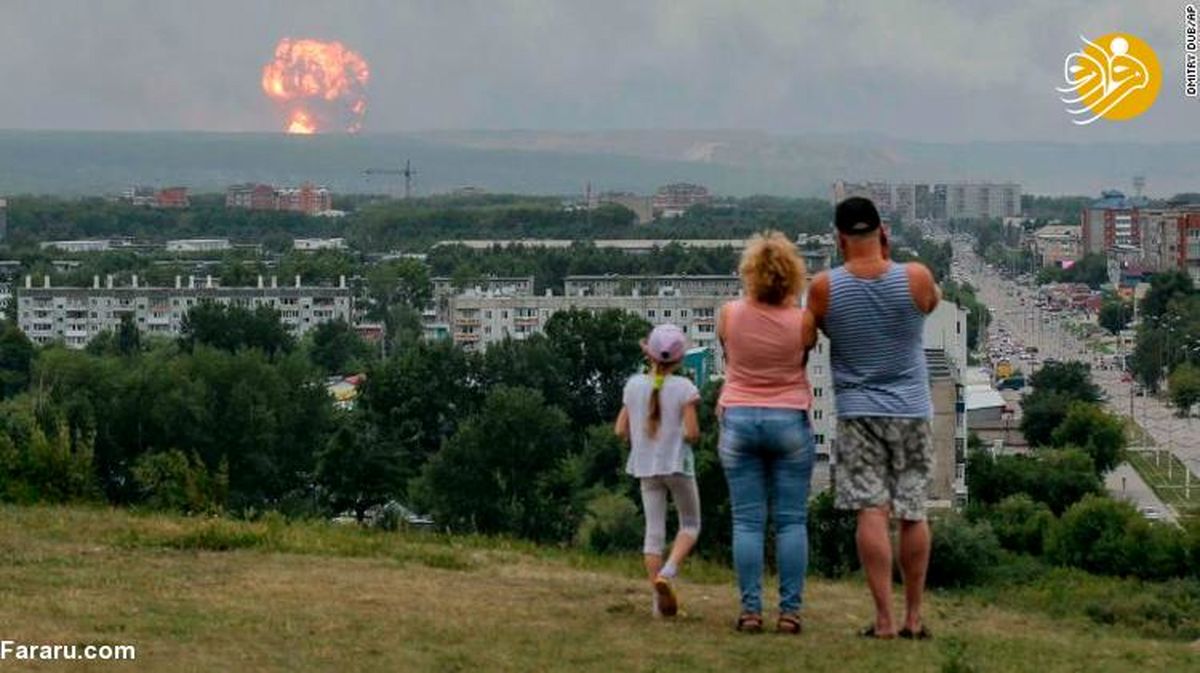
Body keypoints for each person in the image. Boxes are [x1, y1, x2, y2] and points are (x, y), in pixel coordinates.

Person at [806, 196, 940, 640]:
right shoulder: (915, 277)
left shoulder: (825, 287)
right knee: (913, 512)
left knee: (872, 510)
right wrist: (888, 257)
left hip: (857, 411)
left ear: (839, 238)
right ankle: (914, 617)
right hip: (912, 410)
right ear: (882, 231)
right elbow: (931, 302)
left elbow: (814, 331)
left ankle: (883, 619)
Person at [716, 231, 818, 634]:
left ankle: (750, 611)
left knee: (747, 523)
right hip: (789, 419)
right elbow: (803, 358)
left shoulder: (729, 314)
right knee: (792, 522)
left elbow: (728, 354)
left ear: (750, 274)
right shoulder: (802, 321)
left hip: (739, 419)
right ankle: (789, 612)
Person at [614, 323, 702, 618]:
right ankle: (669, 570)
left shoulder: (633, 385)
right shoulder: (685, 388)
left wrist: (640, 439)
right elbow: (691, 433)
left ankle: (658, 603)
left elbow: (620, 429)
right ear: (679, 359)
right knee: (690, 525)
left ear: (648, 354)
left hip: (645, 467)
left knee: (653, 534)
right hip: (677, 465)